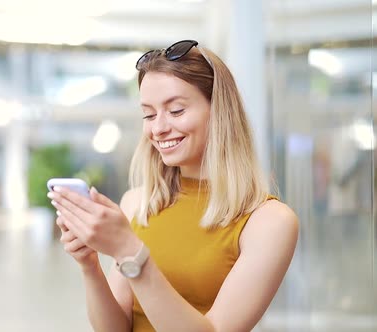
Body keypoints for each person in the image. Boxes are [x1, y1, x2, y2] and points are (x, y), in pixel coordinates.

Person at [46, 40, 299, 332]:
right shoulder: (138, 203)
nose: (158, 128)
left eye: (176, 111)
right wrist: (89, 264)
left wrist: (130, 251)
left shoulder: (268, 221)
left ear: (220, 112)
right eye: (149, 114)